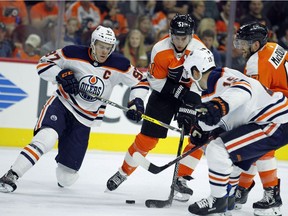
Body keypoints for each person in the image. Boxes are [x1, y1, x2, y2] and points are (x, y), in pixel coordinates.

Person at [0, 25, 149, 193]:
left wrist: (136, 101)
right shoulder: (72, 53)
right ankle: (12, 174)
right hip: (62, 104)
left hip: (84, 120)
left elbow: (141, 81)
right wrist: (61, 75)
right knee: (46, 138)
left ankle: (64, 164)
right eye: (101, 46)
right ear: (93, 43)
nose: (104, 51)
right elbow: (42, 64)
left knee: (66, 178)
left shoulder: (120, 64)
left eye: (108, 48)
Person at [175, 47, 288, 215]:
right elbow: (223, 119)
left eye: (189, 73)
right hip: (268, 121)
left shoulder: (219, 78)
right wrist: (201, 130)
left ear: (196, 70)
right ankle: (228, 201)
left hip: (275, 121)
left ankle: (217, 200)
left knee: (218, 149)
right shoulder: (208, 91)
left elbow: (244, 89)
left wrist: (219, 106)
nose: (189, 78)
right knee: (231, 159)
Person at [106, 14, 207, 202]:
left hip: (192, 93)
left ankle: (182, 179)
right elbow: (156, 81)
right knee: (147, 139)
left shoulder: (200, 50)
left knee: (199, 137)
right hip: (164, 93)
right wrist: (180, 94)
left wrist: (190, 105)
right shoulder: (160, 49)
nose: (178, 41)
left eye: (183, 37)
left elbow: (201, 83)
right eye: (175, 37)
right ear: (170, 34)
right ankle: (123, 171)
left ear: (191, 35)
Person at [232, 22, 288, 216]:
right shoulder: (275, 47)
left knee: (260, 144)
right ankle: (242, 189)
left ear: (256, 44)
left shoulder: (256, 62)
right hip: (282, 104)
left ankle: (272, 197)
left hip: (281, 110)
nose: (241, 48)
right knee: (255, 145)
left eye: (245, 44)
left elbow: (254, 99)